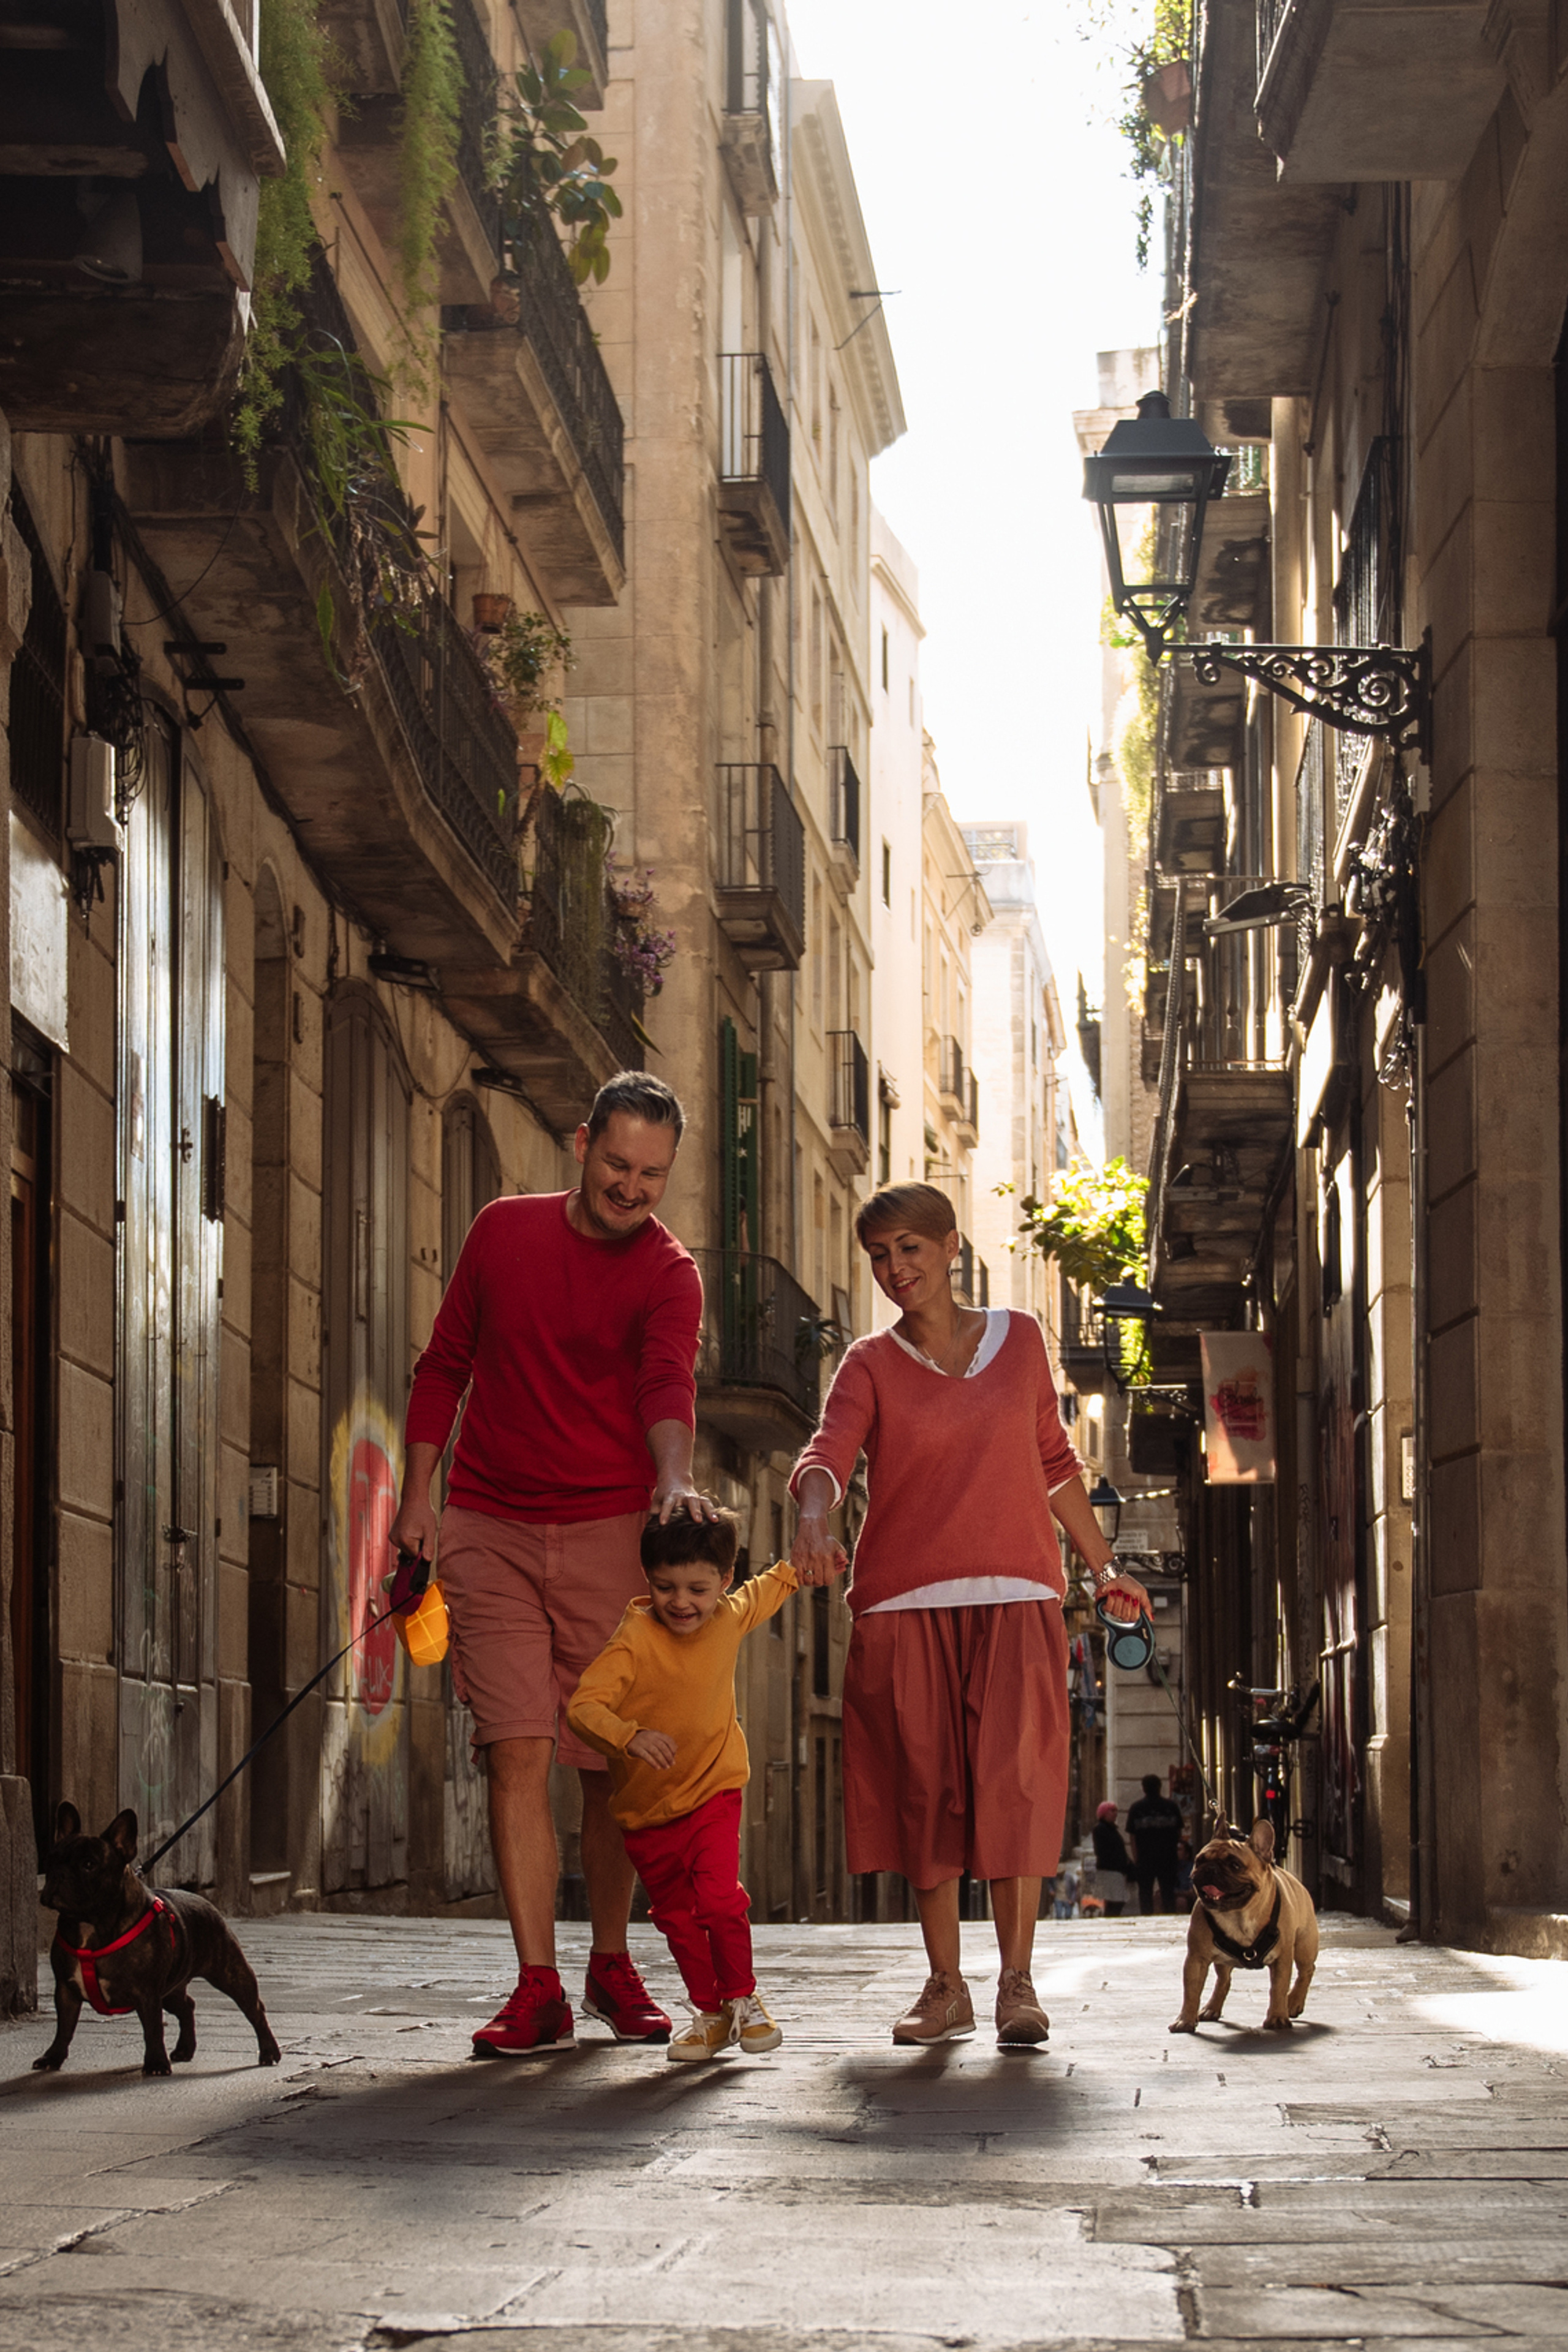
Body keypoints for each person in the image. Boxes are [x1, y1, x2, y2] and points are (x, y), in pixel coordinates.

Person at [388, 1071, 712, 2057]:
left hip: (614, 1528)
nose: (632, 1186)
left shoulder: (670, 1272)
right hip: (487, 1520)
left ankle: (610, 1962)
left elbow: (667, 1378)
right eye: (618, 1163)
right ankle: (538, 1986)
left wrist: (674, 1479)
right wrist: (416, 1500)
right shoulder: (503, 1231)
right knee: (516, 1746)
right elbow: (445, 1363)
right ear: (582, 1144)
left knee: (610, 1761)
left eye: (652, 1173)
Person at [789, 1182, 1151, 2049]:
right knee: (928, 1795)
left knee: (1017, 1786)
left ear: (952, 1248)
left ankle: (1017, 1985)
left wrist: (1104, 1569)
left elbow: (1056, 1460)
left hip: (1021, 1596)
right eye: (879, 1255)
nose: (895, 1268)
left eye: (911, 1248)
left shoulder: (1021, 1339)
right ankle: (945, 1985)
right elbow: (826, 1455)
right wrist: (812, 1510)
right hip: (904, 1605)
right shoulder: (869, 1364)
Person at [568, 1507, 829, 2061]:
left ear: (723, 1582)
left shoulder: (730, 1616)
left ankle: (743, 1998)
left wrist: (808, 1561)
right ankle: (710, 2014)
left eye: (697, 1588)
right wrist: (628, 1736)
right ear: (649, 1580)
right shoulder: (634, 1640)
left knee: (717, 1898)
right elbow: (583, 1707)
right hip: (647, 1813)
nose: (681, 1602)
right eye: (665, 1587)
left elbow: (773, 1584)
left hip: (714, 1791)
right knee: (679, 1921)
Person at [1126, 1773, 1185, 1915]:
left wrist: (1136, 1857)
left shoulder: (1136, 1809)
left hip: (1146, 1857)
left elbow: (1132, 1837)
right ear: (1160, 1787)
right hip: (1168, 1856)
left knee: (1145, 1892)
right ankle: (1170, 1915)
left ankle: (1146, 1917)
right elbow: (1179, 1833)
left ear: (1144, 1788)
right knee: (1168, 1891)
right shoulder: (1171, 1807)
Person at [1091, 1800, 1132, 1917]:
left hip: (1117, 1871)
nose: (1115, 1814)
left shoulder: (1113, 1830)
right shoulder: (1100, 1829)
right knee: (1115, 1899)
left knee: (1117, 1899)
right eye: (1112, 1811)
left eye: (1116, 1811)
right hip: (1109, 1870)